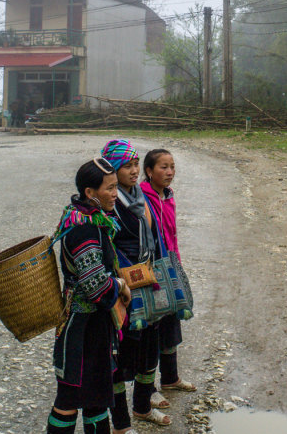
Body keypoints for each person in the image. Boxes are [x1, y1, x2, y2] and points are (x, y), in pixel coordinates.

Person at [46, 157, 130, 434]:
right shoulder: (84, 229)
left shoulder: (86, 218)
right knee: (69, 400)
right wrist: (121, 284)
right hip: (81, 331)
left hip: (92, 326)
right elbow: (96, 286)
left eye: (116, 187)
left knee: (96, 398)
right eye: (109, 188)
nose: (115, 194)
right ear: (89, 193)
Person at [101, 139, 171, 430]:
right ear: (112, 170)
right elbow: (108, 247)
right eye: (125, 166)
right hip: (125, 290)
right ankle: (121, 422)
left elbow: (156, 240)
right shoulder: (111, 205)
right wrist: (126, 276)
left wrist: (163, 272)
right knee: (121, 355)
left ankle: (142, 406)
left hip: (148, 282)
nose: (133, 171)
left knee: (149, 349)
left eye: (134, 165)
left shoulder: (140, 198)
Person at [140, 149, 197, 395]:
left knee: (172, 317)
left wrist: (177, 264)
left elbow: (172, 235)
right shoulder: (141, 196)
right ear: (149, 171)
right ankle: (147, 390)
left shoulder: (168, 196)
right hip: (153, 267)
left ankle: (170, 378)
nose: (170, 172)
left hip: (171, 262)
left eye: (172, 167)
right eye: (163, 167)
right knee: (153, 322)